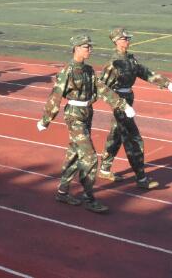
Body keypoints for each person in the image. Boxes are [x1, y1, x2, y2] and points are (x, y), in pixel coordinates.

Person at [36, 35, 134, 214]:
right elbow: (55, 96)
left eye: (90, 47)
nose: (90, 49)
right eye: (86, 47)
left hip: (87, 113)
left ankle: (63, 192)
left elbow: (102, 89)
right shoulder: (67, 71)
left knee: (74, 153)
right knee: (89, 157)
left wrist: (123, 105)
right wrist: (45, 120)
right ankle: (89, 198)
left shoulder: (88, 70)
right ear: (76, 48)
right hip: (74, 115)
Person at [97, 27, 172, 189]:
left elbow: (144, 72)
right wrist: (120, 104)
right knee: (134, 139)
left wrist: (167, 84)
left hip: (128, 99)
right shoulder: (113, 63)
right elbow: (101, 87)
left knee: (116, 135)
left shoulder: (130, 59)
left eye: (128, 38)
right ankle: (141, 178)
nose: (127, 41)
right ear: (116, 41)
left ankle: (105, 169)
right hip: (120, 103)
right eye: (124, 39)